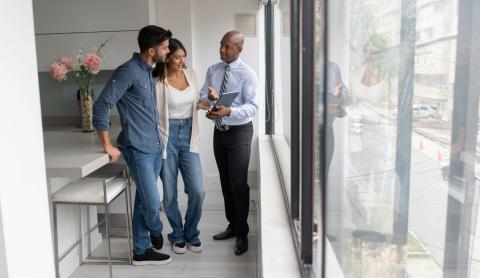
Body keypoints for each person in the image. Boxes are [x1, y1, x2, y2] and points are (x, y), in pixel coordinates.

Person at [92, 25, 172, 266]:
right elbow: (102, 106)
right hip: (138, 149)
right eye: (165, 48)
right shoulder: (127, 71)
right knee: (151, 202)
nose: (168, 52)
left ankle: (140, 251)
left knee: (142, 200)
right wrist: (107, 145)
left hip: (155, 146)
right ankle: (155, 230)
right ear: (151, 49)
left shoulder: (147, 70)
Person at [200, 31, 258, 256]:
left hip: (240, 132)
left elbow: (253, 107)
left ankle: (243, 233)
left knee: (238, 183)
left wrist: (229, 110)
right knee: (225, 182)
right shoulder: (213, 70)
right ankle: (232, 225)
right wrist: (210, 102)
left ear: (239, 49)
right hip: (220, 131)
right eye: (221, 46)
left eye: (227, 47)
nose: (222, 50)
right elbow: (204, 95)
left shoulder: (248, 74)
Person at [153, 38, 210, 254]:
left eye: (183, 57)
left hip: (188, 134)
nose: (181, 61)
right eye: (177, 57)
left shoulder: (192, 74)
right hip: (167, 137)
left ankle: (191, 233)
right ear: (166, 58)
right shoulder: (158, 80)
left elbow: (193, 103)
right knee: (169, 194)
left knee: (198, 190)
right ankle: (177, 235)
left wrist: (205, 105)